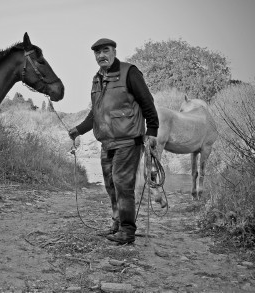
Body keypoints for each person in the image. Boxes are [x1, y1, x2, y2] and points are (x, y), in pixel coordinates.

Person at [68, 38, 159, 244]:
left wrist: (152, 130)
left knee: (122, 185)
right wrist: (79, 130)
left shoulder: (130, 72)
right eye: (97, 52)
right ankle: (117, 224)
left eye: (105, 51)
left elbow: (147, 101)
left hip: (128, 141)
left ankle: (127, 231)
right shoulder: (97, 78)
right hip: (106, 143)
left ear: (114, 51)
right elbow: (96, 113)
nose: (101, 55)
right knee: (110, 185)